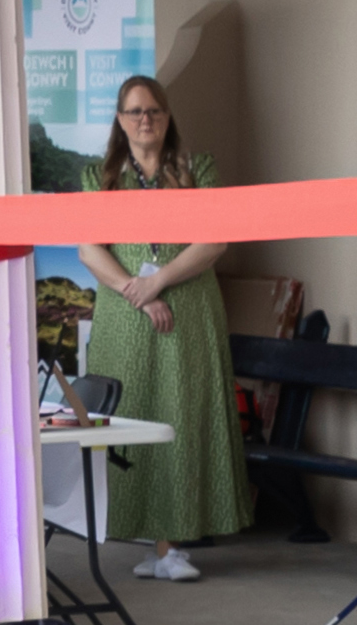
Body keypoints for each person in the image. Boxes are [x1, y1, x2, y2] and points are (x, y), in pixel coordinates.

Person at [79, 72, 247, 584]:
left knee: (182, 413)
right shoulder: (100, 175)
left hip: (188, 307)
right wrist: (137, 290)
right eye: (134, 111)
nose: (145, 119)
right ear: (120, 120)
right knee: (133, 416)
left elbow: (215, 240)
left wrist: (160, 283)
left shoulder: (198, 168)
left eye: (154, 110)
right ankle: (149, 538)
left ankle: (175, 543)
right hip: (124, 315)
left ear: (167, 115)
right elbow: (89, 248)